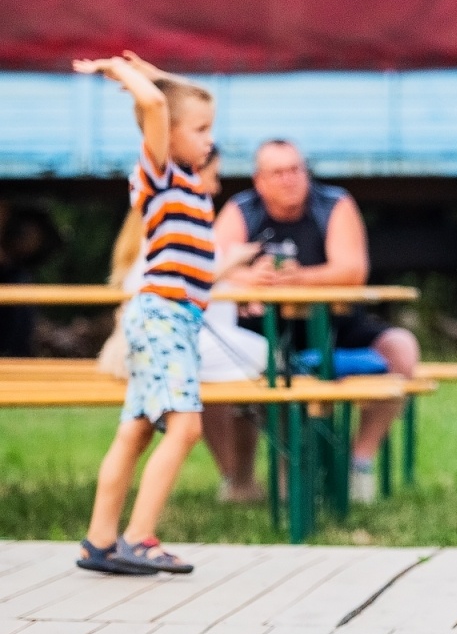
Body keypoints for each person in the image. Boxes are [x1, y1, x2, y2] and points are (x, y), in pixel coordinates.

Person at [70, 52, 249, 574]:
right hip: (162, 316)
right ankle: (140, 537)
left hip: (173, 320)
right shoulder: (159, 176)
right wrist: (119, 74)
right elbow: (153, 105)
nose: (210, 140)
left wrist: (157, 76)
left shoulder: (192, 185)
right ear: (163, 134)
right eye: (200, 129)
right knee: (186, 428)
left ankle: (99, 542)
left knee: (137, 430)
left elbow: (162, 98)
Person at [211, 139, 420, 504]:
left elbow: (353, 271)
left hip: (335, 326)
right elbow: (213, 269)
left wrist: (299, 278)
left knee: (401, 350)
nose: (290, 179)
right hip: (266, 331)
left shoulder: (333, 203)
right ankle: (239, 478)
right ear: (259, 181)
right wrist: (252, 278)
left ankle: (358, 463)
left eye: (297, 169)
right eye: (279, 172)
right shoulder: (242, 209)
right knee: (221, 372)